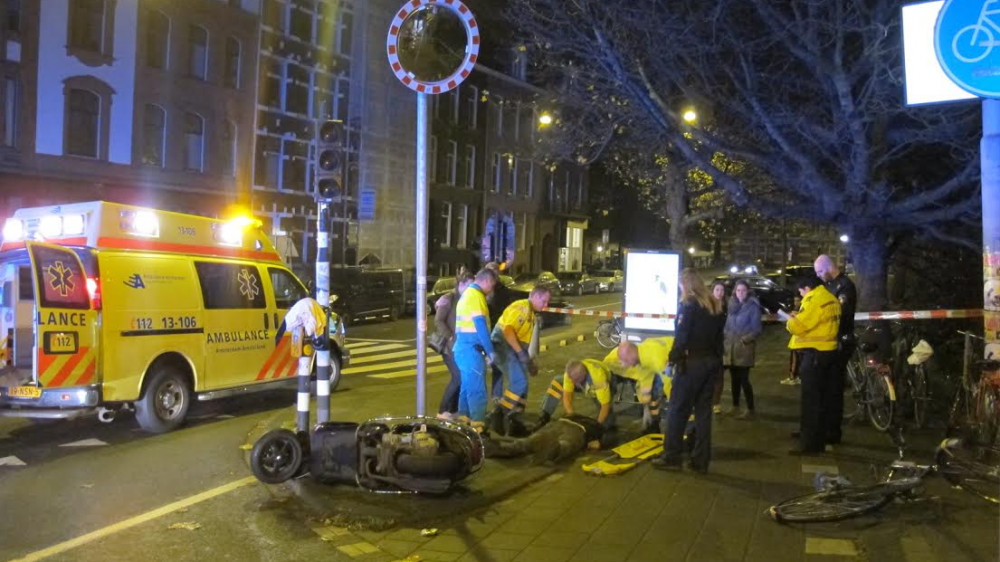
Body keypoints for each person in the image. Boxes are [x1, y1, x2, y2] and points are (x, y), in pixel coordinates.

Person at [652, 268, 724, 474]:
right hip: (710, 364)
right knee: (703, 414)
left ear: (685, 285)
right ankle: (700, 461)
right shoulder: (715, 306)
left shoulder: (688, 305)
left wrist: (672, 360)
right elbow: (719, 339)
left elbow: (681, 337)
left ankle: (672, 456)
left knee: (677, 410)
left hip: (691, 363)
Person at [780, 275, 841, 455]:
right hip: (828, 352)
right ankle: (818, 439)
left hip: (814, 354)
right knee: (823, 400)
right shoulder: (831, 298)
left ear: (808, 288)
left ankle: (809, 445)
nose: (800, 294)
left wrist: (790, 320)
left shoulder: (814, 300)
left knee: (811, 402)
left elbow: (799, 327)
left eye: (800, 290)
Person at [488, 287, 551, 435]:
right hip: (503, 345)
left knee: (523, 386)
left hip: (511, 347)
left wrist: (528, 362)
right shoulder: (522, 308)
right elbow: (508, 331)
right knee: (519, 383)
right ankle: (498, 415)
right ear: (534, 296)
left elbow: (520, 340)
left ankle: (515, 420)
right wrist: (521, 354)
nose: (546, 305)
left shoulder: (531, 313)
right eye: (544, 301)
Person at [814, 254, 857, 445]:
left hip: (840, 342)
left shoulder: (844, 286)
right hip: (829, 342)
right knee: (826, 387)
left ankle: (833, 431)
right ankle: (823, 426)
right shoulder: (830, 286)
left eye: (820, 271)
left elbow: (841, 314)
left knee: (834, 388)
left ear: (829, 267)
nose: (819, 276)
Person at [453, 267, 499, 434]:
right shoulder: (476, 296)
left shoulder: (467, 295)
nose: (491, 289)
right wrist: (490, 352)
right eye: (492, 285)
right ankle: (478, 427)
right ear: (486, 281)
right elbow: (481, 327)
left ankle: (463, 420)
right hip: (471, 350)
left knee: (467, 387)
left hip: (463, 349)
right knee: (477, 389)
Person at [605, 337, 673, 430]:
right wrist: (645, 401)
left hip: (691, 359)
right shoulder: (643, 353)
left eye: (625, 361)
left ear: (630, 356)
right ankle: (653, 424)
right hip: (677, 361)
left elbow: (671, 384)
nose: (624, 365)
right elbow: (645, 376)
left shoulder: (657, 358)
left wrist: (675, 406)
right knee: (653, 394)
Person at [434, 269, 474, 420]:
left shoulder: (468, 299)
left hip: (461, 347)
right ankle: (443, 411)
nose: (472, 290)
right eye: (469, 286)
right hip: (449, 348)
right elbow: (438, 320)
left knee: (461, 377)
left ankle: (453, 410)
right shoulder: (449, 298)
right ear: (461, 284)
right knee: (458, 377)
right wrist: (450, 336)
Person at [484, 414, 604, 464]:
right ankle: (553, 448)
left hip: (558, 422)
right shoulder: (596, 426)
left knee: (527, 442)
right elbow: (602, 440)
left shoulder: (574, 414)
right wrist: (597, 443)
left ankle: (489, 447)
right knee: (566, 445)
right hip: (578, 430)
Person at [723, 279, 763, 420]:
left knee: (744, 379)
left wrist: (745, 339)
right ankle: (735, 406)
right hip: (731, 347)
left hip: (744, 348)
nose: (740, 293)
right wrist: (726, 336)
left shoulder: (752, 307)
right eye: (738, 290)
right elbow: (727, 325)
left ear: (748, 291)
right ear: (735, 291)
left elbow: (757, 329)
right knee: (734, 379)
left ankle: (750, 409)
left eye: (743, 290)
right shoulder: (731, 305)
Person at [537, 359, 615, 430]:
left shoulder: (598, 377)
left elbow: (605, 405)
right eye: (572, 380)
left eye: (575, 380)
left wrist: (596, 426)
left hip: (606, 382)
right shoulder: (570, 374)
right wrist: (572, 417)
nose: (572, 383)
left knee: (606, 423)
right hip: (583, 381)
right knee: (557, 381)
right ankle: (545, 415)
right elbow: (567, 397)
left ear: (583, 375)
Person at [710, 281, 728, 414]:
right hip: (708, 345)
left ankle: (716, 402)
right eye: (717, 290)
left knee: (719, 376)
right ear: (712, 291)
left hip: (719, 346)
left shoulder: (726, 307)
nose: (719, 293)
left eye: (722, 290)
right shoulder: (707, 306)